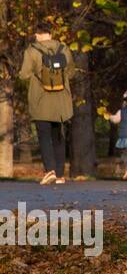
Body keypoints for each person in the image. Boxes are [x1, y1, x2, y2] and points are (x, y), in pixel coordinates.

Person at [18, 25, 75, 185]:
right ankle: (60, 175)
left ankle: (49, 170)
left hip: (41, 100)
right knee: (58, 137)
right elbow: (71, 72)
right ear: (51, 34)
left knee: (44, 137)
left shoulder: (31, 51)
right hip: (62, 101)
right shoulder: (64, 49)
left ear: (37, 35)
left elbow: (24, 74)